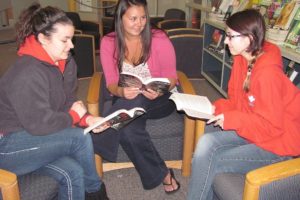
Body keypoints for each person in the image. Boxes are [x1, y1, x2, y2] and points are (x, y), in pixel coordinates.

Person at [187, 9, 300, 200]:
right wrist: (216, 108)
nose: (225, 41)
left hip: (281, 142)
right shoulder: (242, 58)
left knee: (213, 160)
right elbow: (238, 102)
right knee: (207, 141)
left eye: (230, 36)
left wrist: (232, 119)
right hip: (258, 131)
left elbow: (272, 127)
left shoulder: (267, 74)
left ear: (248, 38)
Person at [0, 3, 109, 200]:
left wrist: (87, 119)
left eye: (72, 38)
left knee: (73, 172)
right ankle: (96, 192)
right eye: (65, 40)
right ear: (43, 38)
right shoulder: (27, 72)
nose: (72, 45)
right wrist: (74, 116)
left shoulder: (66, 63)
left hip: (34, 135)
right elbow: (40, 125)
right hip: (7, 145)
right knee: (79, 138)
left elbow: (67, 102)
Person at [91, 0, 180, 194]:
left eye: (142, 17)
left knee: (135, 102)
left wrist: (160, 89)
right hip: (125, 98)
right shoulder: (108, 42)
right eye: (133, 18)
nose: (139, 23)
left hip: (160, 98)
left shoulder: (159, 38)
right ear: (120, 18)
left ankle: (100, 134)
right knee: (129, 129)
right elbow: (111, 83)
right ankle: (164, 174)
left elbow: (172, 76)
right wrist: (122, 91)